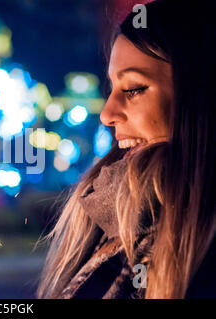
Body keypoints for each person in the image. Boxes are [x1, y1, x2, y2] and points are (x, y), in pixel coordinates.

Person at [37, 0, 216, 299]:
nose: (107, 114)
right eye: (112, 89)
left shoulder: (198, 255)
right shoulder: (105, 223)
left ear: (200, 100)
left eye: (133, 89)